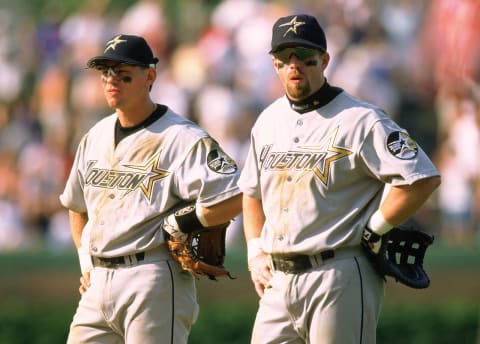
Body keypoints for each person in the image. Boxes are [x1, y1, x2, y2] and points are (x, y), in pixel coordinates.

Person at [238, 14, 441, 344]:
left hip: (339, 272)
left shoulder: (361, 119)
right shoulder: (267, 120)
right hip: (278, 280)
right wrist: (254, 252)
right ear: (274, 63)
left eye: (305, 57)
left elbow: (421, 178)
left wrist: (378, 225)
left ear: (324, 60)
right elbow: (250, 191)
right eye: (286, 57)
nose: (295, 65)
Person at [60, 34, 242, 344]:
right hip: (99, 281)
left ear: (150, 76)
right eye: (105, 72)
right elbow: (76, 205)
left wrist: (185, 221)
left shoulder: (182, 137)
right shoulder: (95, 136)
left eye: (123, 72)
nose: (111, 79)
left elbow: (237, 194)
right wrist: (85, 261)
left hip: (152, 277)